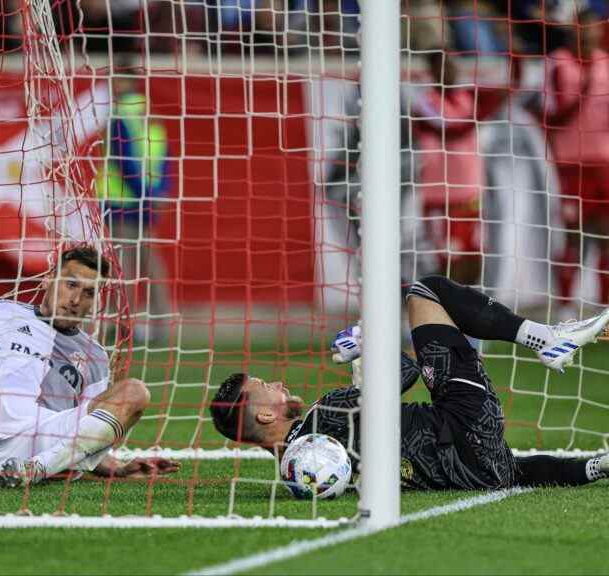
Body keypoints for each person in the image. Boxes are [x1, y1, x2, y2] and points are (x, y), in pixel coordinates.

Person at [210, 275, 609, 490]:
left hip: (471, 469)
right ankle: (548, 340)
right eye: (268, 385)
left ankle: (595, 467)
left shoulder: (298, 470)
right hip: (462, 421)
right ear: (264, 414)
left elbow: (501, 472)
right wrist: (369, 342)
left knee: (511, 470)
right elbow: (405, 373)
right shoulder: (323, 419)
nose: (279, 382)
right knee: (425, 292)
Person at [0, 245, 180, 485]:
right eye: (70, 285)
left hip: (41, 443)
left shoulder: (96, 356)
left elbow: (89, 434)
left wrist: (119, 467)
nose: (75, 299)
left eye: (89, 293)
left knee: (135, 392)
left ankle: (38, 468)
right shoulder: (0, 312)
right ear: (49, 281)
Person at [411, 50, 516, 285]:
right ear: (432, 72)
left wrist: (515, 58)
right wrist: (480, 115)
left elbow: (507, 91)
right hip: (440, 196)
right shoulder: (424, 103)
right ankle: (444, 314)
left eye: (451, 66)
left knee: (474, 258)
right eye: (442, 66)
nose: (448, 71)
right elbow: (451, 129)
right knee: (449, 260)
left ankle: (465, 316)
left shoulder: (467, 96)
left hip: (470, 192)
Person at [94, 65, 171, 344]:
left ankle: (124, 326)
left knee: (120, 266)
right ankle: (162, 324)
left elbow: (124, 162)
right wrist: (157, 193)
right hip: (146, 198)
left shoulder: (118, 115)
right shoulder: (149, 114)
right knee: (150, 262)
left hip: (121, 200)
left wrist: (143, 194)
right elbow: (163, 156)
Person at [542, 8, 609, 313]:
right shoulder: (558, 63)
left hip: (603, 161)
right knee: (575, 235)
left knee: (606, 233)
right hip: (571, 163)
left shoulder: (605, 63)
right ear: (574, 30)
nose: (590, 33)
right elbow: (551, 116)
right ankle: (566, 305)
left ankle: (604, 307)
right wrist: (581, 93)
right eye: (585, 28)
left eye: (595, 28)